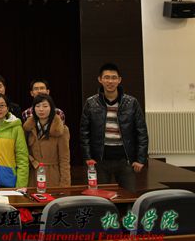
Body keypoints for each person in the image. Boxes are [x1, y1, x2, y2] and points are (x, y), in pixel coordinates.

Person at [80, 63, 148, 192]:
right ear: (100, 79)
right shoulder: (91, 103)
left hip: (125, 160)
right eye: (106, 77)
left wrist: (140, 159)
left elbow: (141, 132)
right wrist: (88, 157)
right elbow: (84, 133)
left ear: (119, 80)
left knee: (128, 197)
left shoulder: (131, 103)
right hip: (100, 161)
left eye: (113, 77)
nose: (110, 81)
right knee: (100, 197)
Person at [23, 94, 70, 188]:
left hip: (53, 176)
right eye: (37, 106)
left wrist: (65, 185)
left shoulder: (61, 130)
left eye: (45, 106)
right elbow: (23, 151)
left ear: (51, 108)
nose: (41, 109)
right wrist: (32, 160)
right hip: (32, 176)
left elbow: (64, 160)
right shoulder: (28, 128)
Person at [0, 93, 29, 188]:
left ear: (8, 108)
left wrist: (21, 186)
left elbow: (22, 158)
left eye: (2, 105)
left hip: (10, 182)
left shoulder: (16, 127)